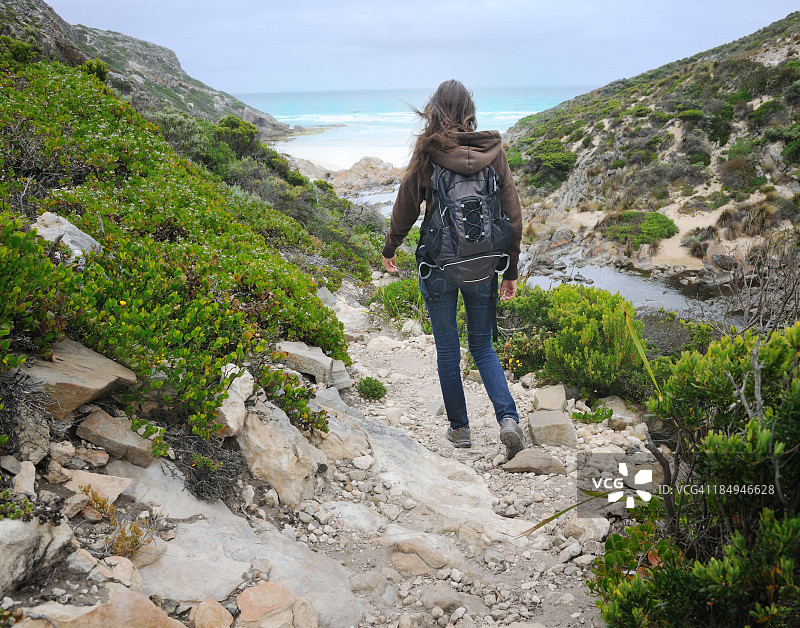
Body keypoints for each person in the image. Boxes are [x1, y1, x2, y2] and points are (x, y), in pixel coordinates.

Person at [381, 79, 526, 460]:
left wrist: (390, 247)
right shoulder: (492, 150)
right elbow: (512, 214)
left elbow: (406, 205)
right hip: (483, 265)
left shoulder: (428, 151)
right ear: (469, 110)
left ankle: (460, 429)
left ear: (434, 109)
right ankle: (508, 419)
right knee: (482, 346)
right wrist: (511, 268)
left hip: (439, 264)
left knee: (448, 350)